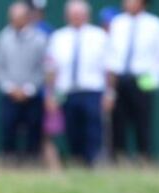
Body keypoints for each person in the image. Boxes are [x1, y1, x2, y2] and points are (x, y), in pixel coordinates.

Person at [45, 0, 110, 167]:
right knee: (71, 130)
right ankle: (76, 162)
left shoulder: (99, 36)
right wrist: (51, 94)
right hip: (66, 91)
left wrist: (110, 93)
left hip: (93, 91)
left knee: (93, 130)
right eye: (73, 14)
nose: (76, 17)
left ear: (87, 15)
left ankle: (93, 163)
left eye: (80, 14)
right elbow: (52, 69)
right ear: (66, 16)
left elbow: (108, 67)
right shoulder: (58, 37)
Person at [105, 0, 159, 163]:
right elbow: (110, 54)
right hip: (119, 79)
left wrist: (155, 81)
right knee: (117, 124)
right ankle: (119, 160)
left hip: (143, 80)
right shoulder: (117, 23)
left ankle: (145, 159)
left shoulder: (155, 25)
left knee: (143, 124)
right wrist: (110, 89)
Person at [0, 1, 47, 163]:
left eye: (19, 17)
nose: (15, 20)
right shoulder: (2, 38)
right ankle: (9, 162)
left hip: (32, 96)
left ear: (27, 17)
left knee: (33, 132)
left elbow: (43, 67)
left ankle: (32, 163)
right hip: (9, 94)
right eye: (12, 17)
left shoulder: (40, 39)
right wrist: (9, 87)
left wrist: (29, 88)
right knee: (8, 130)